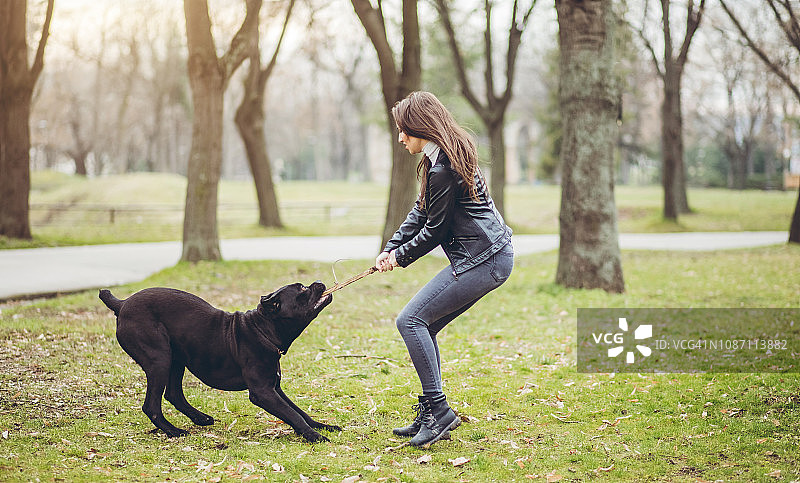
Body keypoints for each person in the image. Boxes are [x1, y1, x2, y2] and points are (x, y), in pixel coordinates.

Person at [375, 91, 514, 447]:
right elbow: (421, 213)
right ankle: (433, 410)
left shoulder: (445, 168)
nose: (401, 137)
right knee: (427, 323)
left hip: (484, 258)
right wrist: (391, 246)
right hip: (488, 254)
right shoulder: (443, 159)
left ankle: (439, 412)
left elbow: (434, 232)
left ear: (421, 127)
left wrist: (400, 257)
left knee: (410, 320)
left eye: (404, 130)